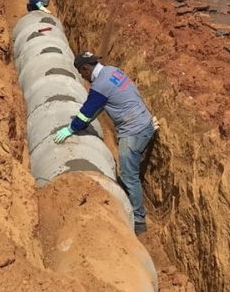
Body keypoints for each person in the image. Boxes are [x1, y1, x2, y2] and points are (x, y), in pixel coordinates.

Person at [54, 52, 156, 235]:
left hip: (134, 130)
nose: (82, 77)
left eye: (81, 73)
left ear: (86, 68)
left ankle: (139, 220)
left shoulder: (100, 86)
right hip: (143, 119)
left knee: (128, 175)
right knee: (129, 171)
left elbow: (87, 111)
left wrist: (71, 129)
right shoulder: (111, 71)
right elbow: (100, 106)